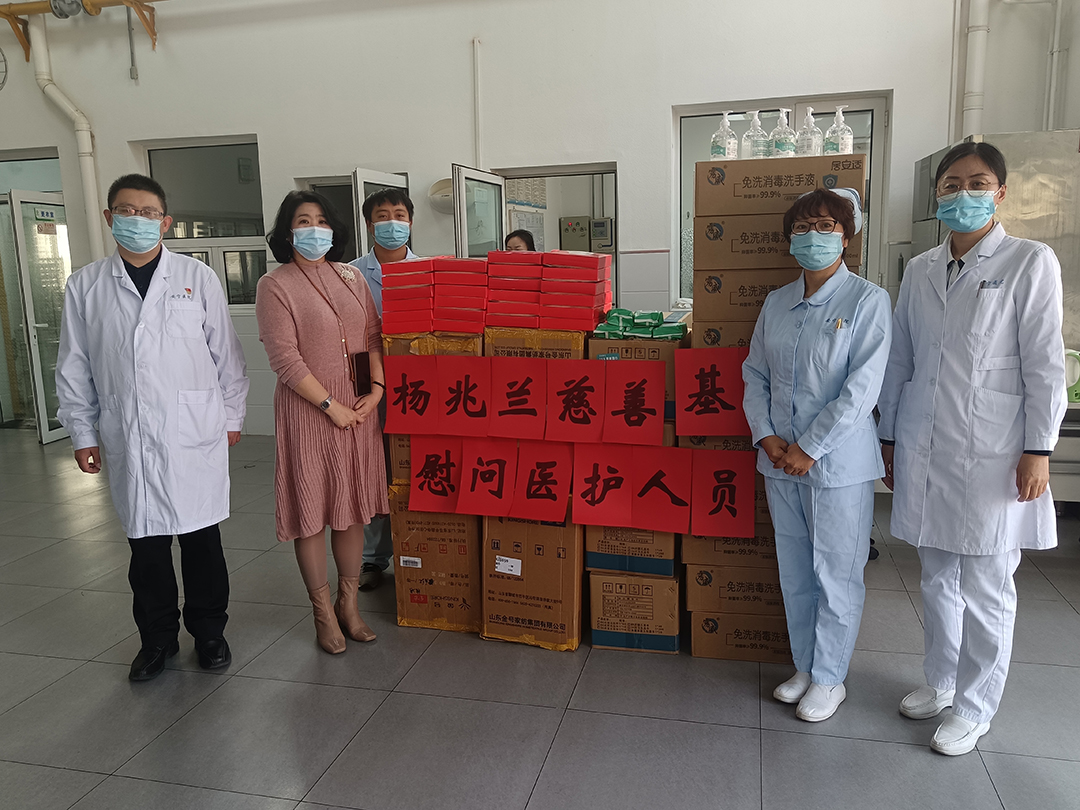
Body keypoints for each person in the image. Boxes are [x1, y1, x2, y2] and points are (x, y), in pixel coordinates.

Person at [878, 142, 1066, 756]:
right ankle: (941, 681)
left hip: (995, 451)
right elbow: (901, 359)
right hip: (925, 444)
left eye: (977, 183)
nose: (963, 194)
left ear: (1000, 193)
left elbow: (1045, 363)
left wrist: (1039, 449)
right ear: (936, 194)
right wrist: (888, 435)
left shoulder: (1028, 261)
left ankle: (975, 705)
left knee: (987, 584)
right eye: (951, 184)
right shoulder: (921, 268)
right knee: (937, 576)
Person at [56, 173, 249, 681]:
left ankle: (209, 633)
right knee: (146, 547)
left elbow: (227, 355)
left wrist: (231, 416)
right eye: (127, 210)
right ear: (109, 217)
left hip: (193, 432)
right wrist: (83, 433)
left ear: (165, 222)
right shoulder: (85, 286)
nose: (137, 220)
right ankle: (157, 639)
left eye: (148, 213)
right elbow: (73, 366)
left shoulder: (196, 277)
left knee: (202, 541)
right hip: (130, 431)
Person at [743, 188, 891, 722]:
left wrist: (810, 447)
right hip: (778, 461)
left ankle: (831, 678)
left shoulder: (867, 300)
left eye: (826, 226)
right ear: (790, 240)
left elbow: (862, 389)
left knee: (836, 573)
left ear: (846, 237)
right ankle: (805, 666)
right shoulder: (776, 303)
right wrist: (766, 436)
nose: (813, 237)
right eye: (803, 228)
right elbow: (755, 373)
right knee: (795, 571)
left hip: (837, 465)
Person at [257, 190, 389, 654]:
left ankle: (348, 605)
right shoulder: (275, 285)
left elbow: (373, 335)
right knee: (312, 514)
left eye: (321, 220)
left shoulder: (351, 276)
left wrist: (376, 391)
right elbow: (284, 358)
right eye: (303, 221)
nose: (314, 229)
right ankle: (322, 614)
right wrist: (331, 406)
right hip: (310, 410)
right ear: (287, 231)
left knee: (351, 508)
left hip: (359, 408)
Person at [347, 188, 416, 590]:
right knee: (375, 469)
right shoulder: (349, 274)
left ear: (411, 222)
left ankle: (419, 548)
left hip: (420, 385)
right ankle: (373, 559)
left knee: (416, 466)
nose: (392, 222)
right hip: (368, 385)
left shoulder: (429, 271)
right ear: (370, 224)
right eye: (383, 215)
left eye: (400, 215)